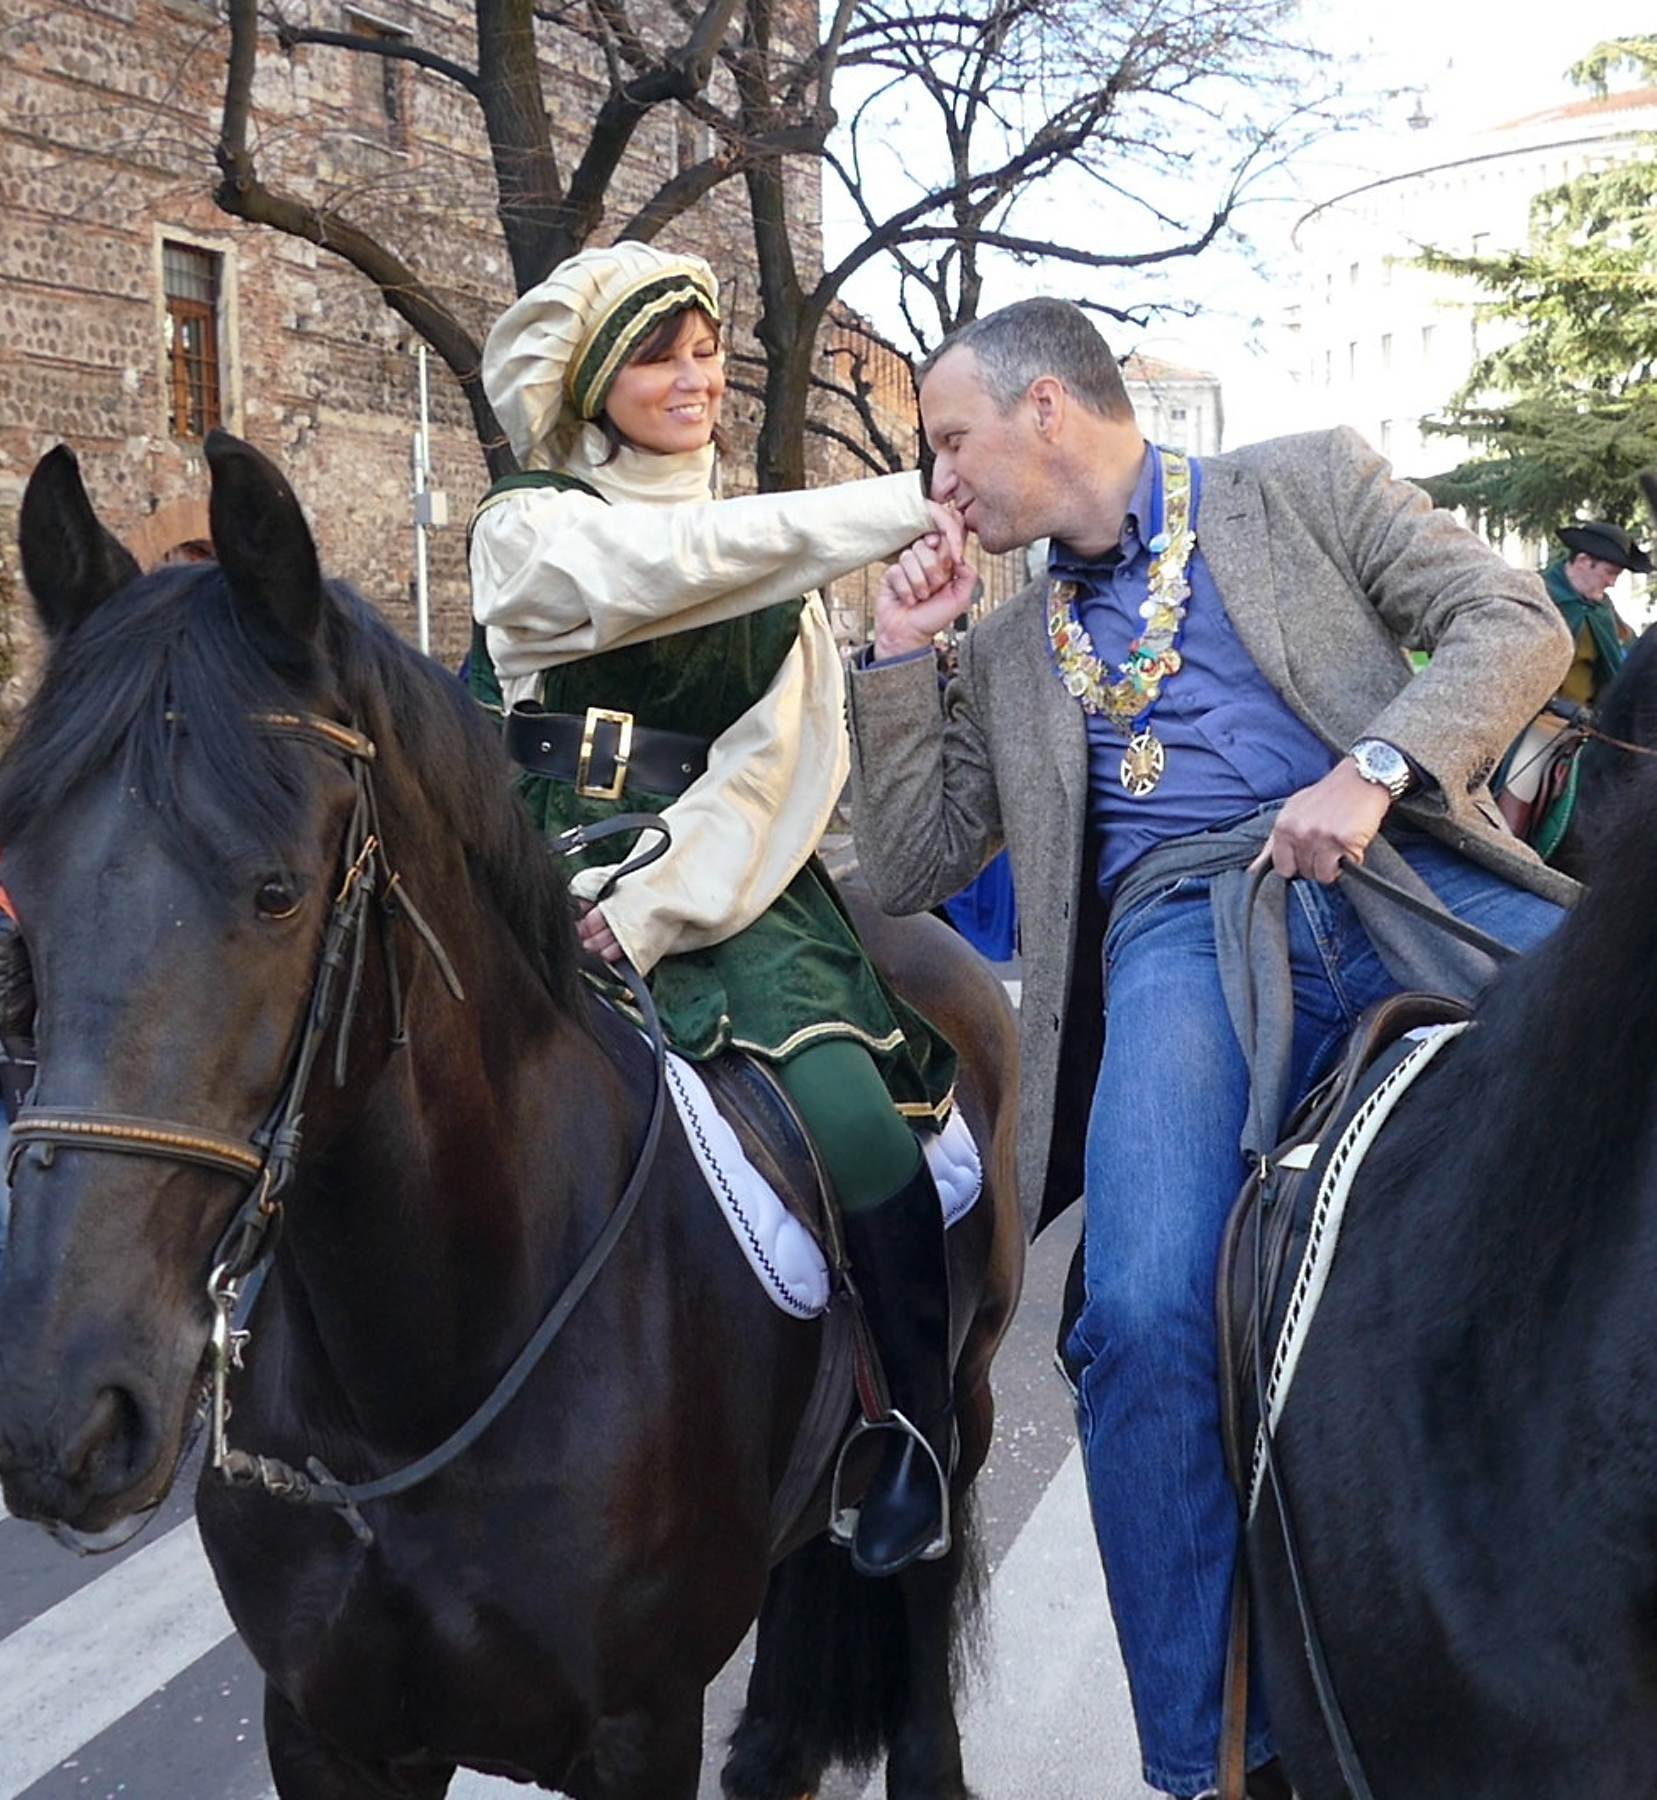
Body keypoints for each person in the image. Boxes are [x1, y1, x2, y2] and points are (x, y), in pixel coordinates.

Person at [844, 297, 1579, 1797]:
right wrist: (902, 656)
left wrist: (1372, 768)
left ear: (1045, 407)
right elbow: (912, 862)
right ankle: (1206, 1764)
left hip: (1393, 862)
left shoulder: (1302, 482)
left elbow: (1519, 623)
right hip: (1183, 931)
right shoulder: (1005, 641)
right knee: (1141, 1311)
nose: (939, 482)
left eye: (951, 440)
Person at [467, 240, 965, 1578]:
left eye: (705, 353)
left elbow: (776, 768)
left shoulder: (778, 571)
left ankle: (912, 1434)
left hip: (727, 876)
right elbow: (668, 563)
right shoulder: (529, 529)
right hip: (525, 851)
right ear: (591, 382)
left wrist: (656, 906)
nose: (695, 379)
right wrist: (901, 501)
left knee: (854, 1121)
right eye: (657, 357)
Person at [1494, 519, 1650, 832]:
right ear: (1582, 561)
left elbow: (1627, 659)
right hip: (1537, 718)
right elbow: (1504, 665)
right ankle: (1502, 843)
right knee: (1524, 775)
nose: (1612, 583)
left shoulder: (1603, 610)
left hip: (1591, 722)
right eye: (1609, 573)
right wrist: (1553, 705)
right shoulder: (1535, 597)